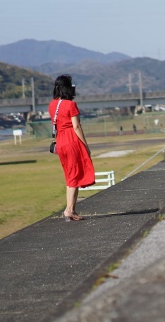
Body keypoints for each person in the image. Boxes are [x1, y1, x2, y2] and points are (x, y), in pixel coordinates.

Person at [49, 75, 96, 221]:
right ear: (68, 88)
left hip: (60, 142)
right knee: (74, 175)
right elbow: (76, 126)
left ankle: (70, 209)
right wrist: (85, 145)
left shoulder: (52, 105)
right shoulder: (70, 105)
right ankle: (70, 209)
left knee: (70, 175)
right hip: (71, 141)